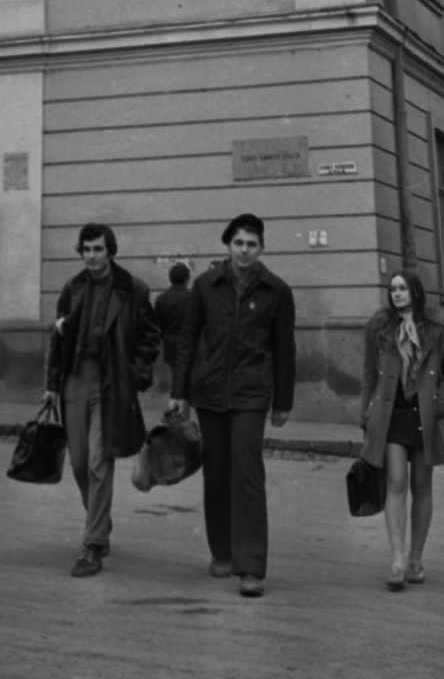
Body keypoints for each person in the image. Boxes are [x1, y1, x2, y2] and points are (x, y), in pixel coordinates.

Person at [170, 214, 296, 598]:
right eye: (239, 243)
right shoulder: (206, 285)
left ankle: (251, 566)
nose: (244, 250)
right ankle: (221, 551)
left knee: (248, 475)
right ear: (228, 245)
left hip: (251, 394)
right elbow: (188, 338)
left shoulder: (277, 290)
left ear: (262, 248)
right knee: (217, 473)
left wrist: (283, 401)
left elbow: (284, 350)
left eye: (252, 244)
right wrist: (179, 392)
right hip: (208, 392)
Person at [42, 223, 160, 577]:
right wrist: (52, 383)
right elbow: (58, 339)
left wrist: (134, 377)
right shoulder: (73, 288)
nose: (92, 256)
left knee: (98, 461)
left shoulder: (133, 289)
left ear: (110, 251)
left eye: (98, 249)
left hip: (111, 383)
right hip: (74, 381)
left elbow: (149, 338)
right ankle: (100, 521)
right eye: (86, 249)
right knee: (78, 463)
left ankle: (92, 545)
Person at [359, 271, 444, 588]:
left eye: (403, 288)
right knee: (395, 482)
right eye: (393, 289)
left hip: (425, 416)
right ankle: (397, 562)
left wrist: (441, 401)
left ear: (416, 292)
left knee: (421, 485)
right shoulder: (378, 328)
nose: (397, 293)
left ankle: (416, 558)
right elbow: (368, 375)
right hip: (391, 415)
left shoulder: (438, 328)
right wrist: (366, 416)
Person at [153, 263, 193, 388]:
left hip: (169, 343)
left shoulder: (161, 299)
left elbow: (157, 325)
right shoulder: (192, 298)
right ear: (186, 279)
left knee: (176, 379)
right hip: (189, 343)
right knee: (188, 380)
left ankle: (177, 404)